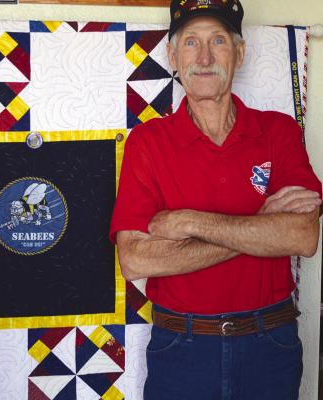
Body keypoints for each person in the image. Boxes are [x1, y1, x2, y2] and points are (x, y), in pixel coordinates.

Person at [109, 0, 322, 399]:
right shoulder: (148, 142)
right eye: (191, 42)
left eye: (218, 41)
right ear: (172, 55)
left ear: (239, 53)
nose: (204, 57)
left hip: (270, 344)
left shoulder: (278, 131)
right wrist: (260, 224)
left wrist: (189, 221)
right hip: (181, 346)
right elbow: (135, 260)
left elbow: (302, 237)